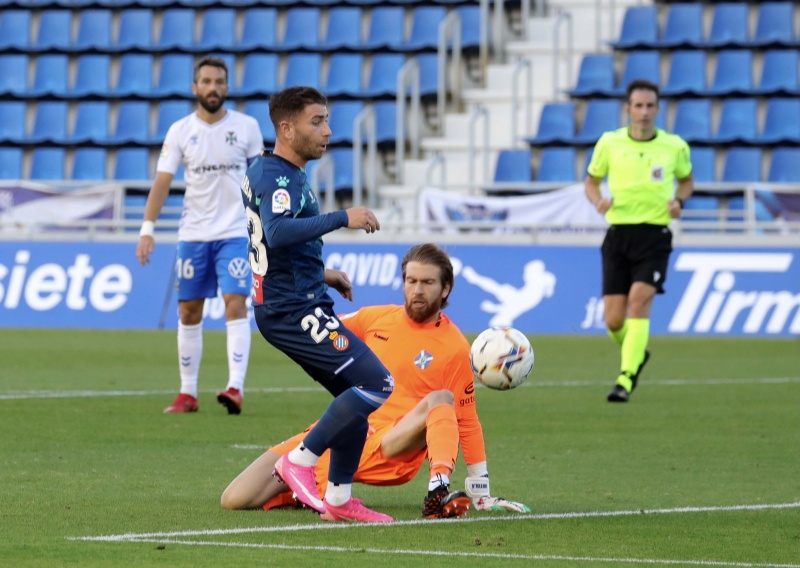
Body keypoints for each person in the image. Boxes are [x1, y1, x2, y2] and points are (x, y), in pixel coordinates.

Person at [220, 243, 530, 518]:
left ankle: (438, 490)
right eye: (411, 281)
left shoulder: (455, 348)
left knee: (441, 399)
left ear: (445, 288)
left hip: (394, 442)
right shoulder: (375, 319)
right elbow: (324, 333)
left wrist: (480, 492)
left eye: (427, 282)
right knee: (235, 498)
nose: (417, 290)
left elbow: (467, 421)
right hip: (348, 428)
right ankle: (311, 494)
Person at [240, 86, 394, 523]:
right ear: (286, 129)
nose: (327, 131)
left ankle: (339, 500)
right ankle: (300, 461)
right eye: (317, 121)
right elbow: (277, 232)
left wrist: (321, 273)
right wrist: (344, 217)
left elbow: (268, 243)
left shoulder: (269, 170)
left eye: (326, 120)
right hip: (293, 310)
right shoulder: (281, 178)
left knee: (353, 397)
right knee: (377, 383)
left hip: (291, 300)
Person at [136, 56, 264, 415]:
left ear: (227, 87)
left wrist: (263, 226)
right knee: (188, 310)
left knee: (235, 301)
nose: (212, 87)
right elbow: (162, 182)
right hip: (193, 234)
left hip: (235, 231)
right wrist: (147, 229)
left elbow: (261, 181)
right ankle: (187, 393)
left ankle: (235, 387)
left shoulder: (247, 127)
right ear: (195, 87)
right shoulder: (180, 131)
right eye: (206, 81)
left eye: (218, 81)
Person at [584, 79, 694, 403]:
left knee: (639, 300)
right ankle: (637, 352)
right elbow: (591, 182)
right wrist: (597, 201)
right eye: (638, 106)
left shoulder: (674, 146)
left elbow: (687, 181)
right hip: (618, 235)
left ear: (658, 109)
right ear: (628, 108)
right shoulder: (610, 142)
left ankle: (626, 379)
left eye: (649, 106)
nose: (644, 112)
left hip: (655, 236)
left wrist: (679, 202)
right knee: (614, 320)